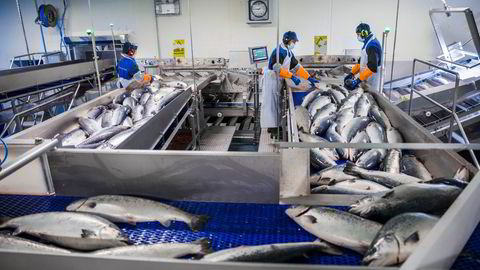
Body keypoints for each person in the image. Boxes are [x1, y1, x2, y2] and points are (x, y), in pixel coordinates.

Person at [261, 31, 318, 131]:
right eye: (293, 41)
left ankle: (275, 125)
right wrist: (292, 77)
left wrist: (308, 77)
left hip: (279, 79)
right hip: (272, 79)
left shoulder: (288, 51)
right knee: (271, 104)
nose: (294, 44)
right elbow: (277, 68)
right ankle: (272, 127)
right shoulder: (279, 52)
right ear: (287, 40)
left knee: (277, 103)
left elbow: (297, 67)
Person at [344, 23, 382, 91]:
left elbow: (372, 67)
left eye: (358, 34)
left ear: (364, 33)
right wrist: (352, 73)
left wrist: (358, 80)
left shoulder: (372, 45)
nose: (358, 37)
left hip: (372, 81)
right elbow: (361, 61)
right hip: (365, 78)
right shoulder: (367, 43)